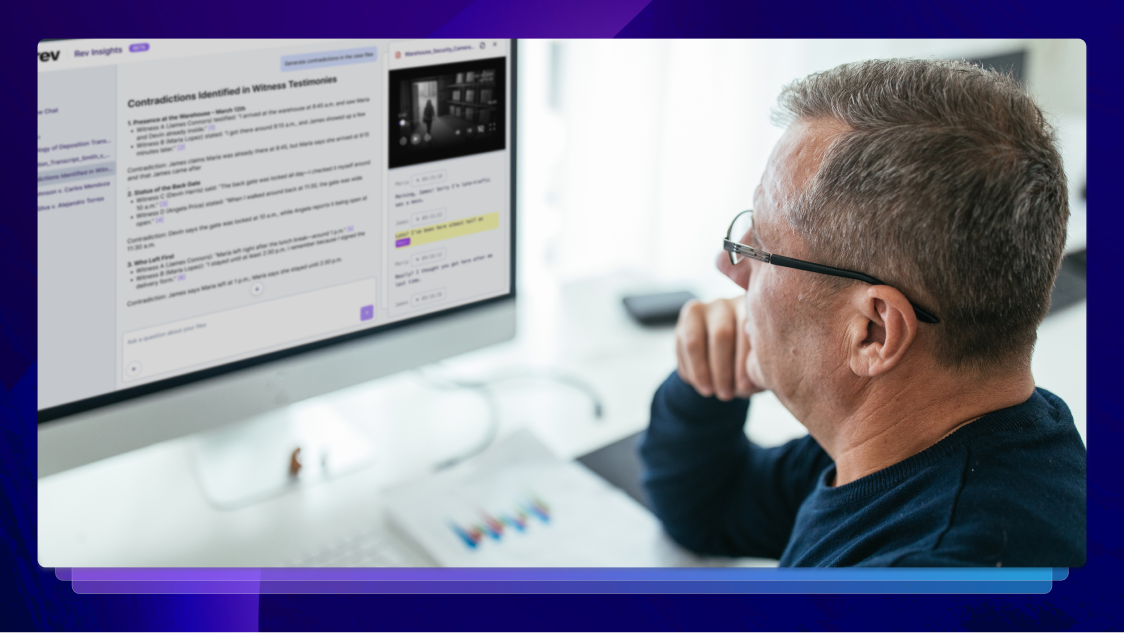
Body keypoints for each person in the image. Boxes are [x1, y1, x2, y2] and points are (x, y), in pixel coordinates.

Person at [639, 59, 1086, 567]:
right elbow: (712, 510)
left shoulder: (937, 573)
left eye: (762, 244)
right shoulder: (933, 437)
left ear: (874, 332)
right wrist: (706, 381)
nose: (730, 265)